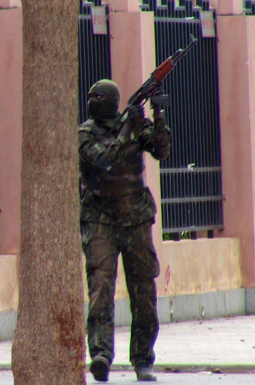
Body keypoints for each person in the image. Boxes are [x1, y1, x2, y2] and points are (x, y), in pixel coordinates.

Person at [79, 79, 171, 382]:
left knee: (143, 290)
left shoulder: (132, 123)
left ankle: (143, 359)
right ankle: (101, 354)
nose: (92, 100)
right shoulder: (84, 133)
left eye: (98, 96)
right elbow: (106, 162)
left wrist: (158, 115)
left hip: (136, 219)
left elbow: (160, 150)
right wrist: (130, 126)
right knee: (100, 288)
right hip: (100, 219)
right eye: (90, 96)